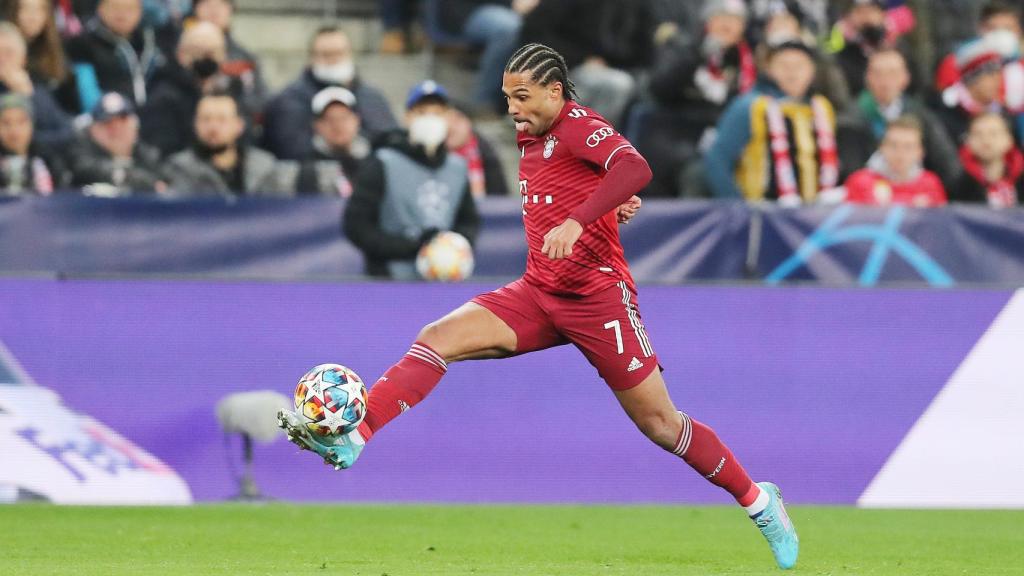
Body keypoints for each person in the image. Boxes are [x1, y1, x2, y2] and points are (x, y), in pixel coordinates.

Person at [281, 43, 799, 571]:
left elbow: (633, 166)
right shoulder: (533, 133)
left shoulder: (577, 123)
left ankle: (760, 502)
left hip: (598, 301)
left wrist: (583, 218)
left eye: (522, 97)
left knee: (662, 425)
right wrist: (606, 203)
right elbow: (588, 179)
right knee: (437, 337)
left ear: (556, 91)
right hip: (538, 292)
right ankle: (357, 437)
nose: (512, 109)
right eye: (507, 98)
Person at [343, 80, 479, 279]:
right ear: (407, 117)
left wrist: (452, 244)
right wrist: (410, 246)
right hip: (390, 278)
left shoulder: (457, 167)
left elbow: (469, 220)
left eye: (437, 112)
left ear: (447, 118)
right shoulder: (383, 162)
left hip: (443, 279)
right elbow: (357, 225)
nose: (430, 119)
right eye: (421, 112)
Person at [704, 38, 839, 205]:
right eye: (784, 66)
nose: (792, 73)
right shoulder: (750, 106)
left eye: (799, 66)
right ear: (769, 69)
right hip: (763, 215)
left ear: (812, 71)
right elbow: (717, 159)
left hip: (812, 216)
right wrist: (739, 208)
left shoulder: (820, 108)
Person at [261, 25, 397, 160]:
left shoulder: (372, 98)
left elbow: (389, 140)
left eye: (339, 53)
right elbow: (290, 148)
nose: (333, 60)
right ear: (311, 58)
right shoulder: (288, 101)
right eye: (326, 54)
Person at [837, 49, 960, 187]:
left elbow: (947, 164)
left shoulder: (921, 115)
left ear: (906, 78)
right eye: (878, 74)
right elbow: (851, 172)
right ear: (867, 78)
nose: (885, 81)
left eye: (893, 73)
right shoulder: (851, 119)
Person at [164, 91, 294, 197]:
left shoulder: (264, 168)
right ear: (195, 124)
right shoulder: (177, 171)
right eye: (205, 119)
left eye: (222, 120)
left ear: (239, 125)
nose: (213, 127)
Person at [138, 20, 238, 156]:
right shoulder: (164, 97)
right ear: (181, 54)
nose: (206, 57)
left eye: (213, 51)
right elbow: (160, 150)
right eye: (198, 50)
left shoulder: (233, 92)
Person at [65, 0, 164, 111]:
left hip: (155, 115)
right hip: (111, 117)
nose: (122, 14)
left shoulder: (151, 39)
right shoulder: (82, 43)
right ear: (100, 8)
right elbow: (88, 94)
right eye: (115, 7)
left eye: (129, 8)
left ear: (140, 11)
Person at [68, 91, 165, 196]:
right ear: (93, 130)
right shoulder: (82, 162)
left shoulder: (151, 157)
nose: (116, 129)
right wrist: (124, 175)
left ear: (135, 125)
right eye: (107, 123)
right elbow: (82, 170)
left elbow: (172, 184)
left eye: (123, 121)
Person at [190, 0, 268, 122]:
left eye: (221, 3)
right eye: (206, 3)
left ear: (231, 8)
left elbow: (259, 101)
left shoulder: (245, 59)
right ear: (195, 8)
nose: (213, 10)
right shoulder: (179, 56)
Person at [843, 116, 947, 206]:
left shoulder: (930, 185)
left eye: (908, 147)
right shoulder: (860, 182)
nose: (900, 153)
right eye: (893, 145)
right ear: (881, 147)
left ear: (920, 152)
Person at [0, 21, 72, 149]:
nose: (2, 60)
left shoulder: (35, 89)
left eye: (8, 53)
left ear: (23, 59)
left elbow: (65, 132)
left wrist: (29, 95)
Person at [5, 0, 80, 113]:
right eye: (25, 9)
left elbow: (69, 110)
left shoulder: (57, 54)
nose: (32, 17)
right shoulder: (5, 54)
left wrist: (29, 93)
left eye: (40, 10)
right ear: (14, 11)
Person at [294, 86, 370, 196]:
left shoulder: (374, 162)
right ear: (317, 125)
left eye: (344, 118)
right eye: (330, 119)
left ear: (357, 120)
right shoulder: (308, 169)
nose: (337, 125)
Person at [953, 111, 1023, 207]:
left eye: (993, 134)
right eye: (978, 134)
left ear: (1009, 140)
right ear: (968, 141)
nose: (986, 140)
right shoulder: (959, 183)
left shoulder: (1021, 178)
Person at [0, 92, 61, 195]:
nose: (14, 131)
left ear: (32, 124)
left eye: (21, 122)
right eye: (6, 123)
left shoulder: (48, 158)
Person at [446, 101, 508, 197]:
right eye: (446, 121)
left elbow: (500, 198)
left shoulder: (486, 153)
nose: (451, 127)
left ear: (469, 123)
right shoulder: (430, 157)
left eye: (457, 121)